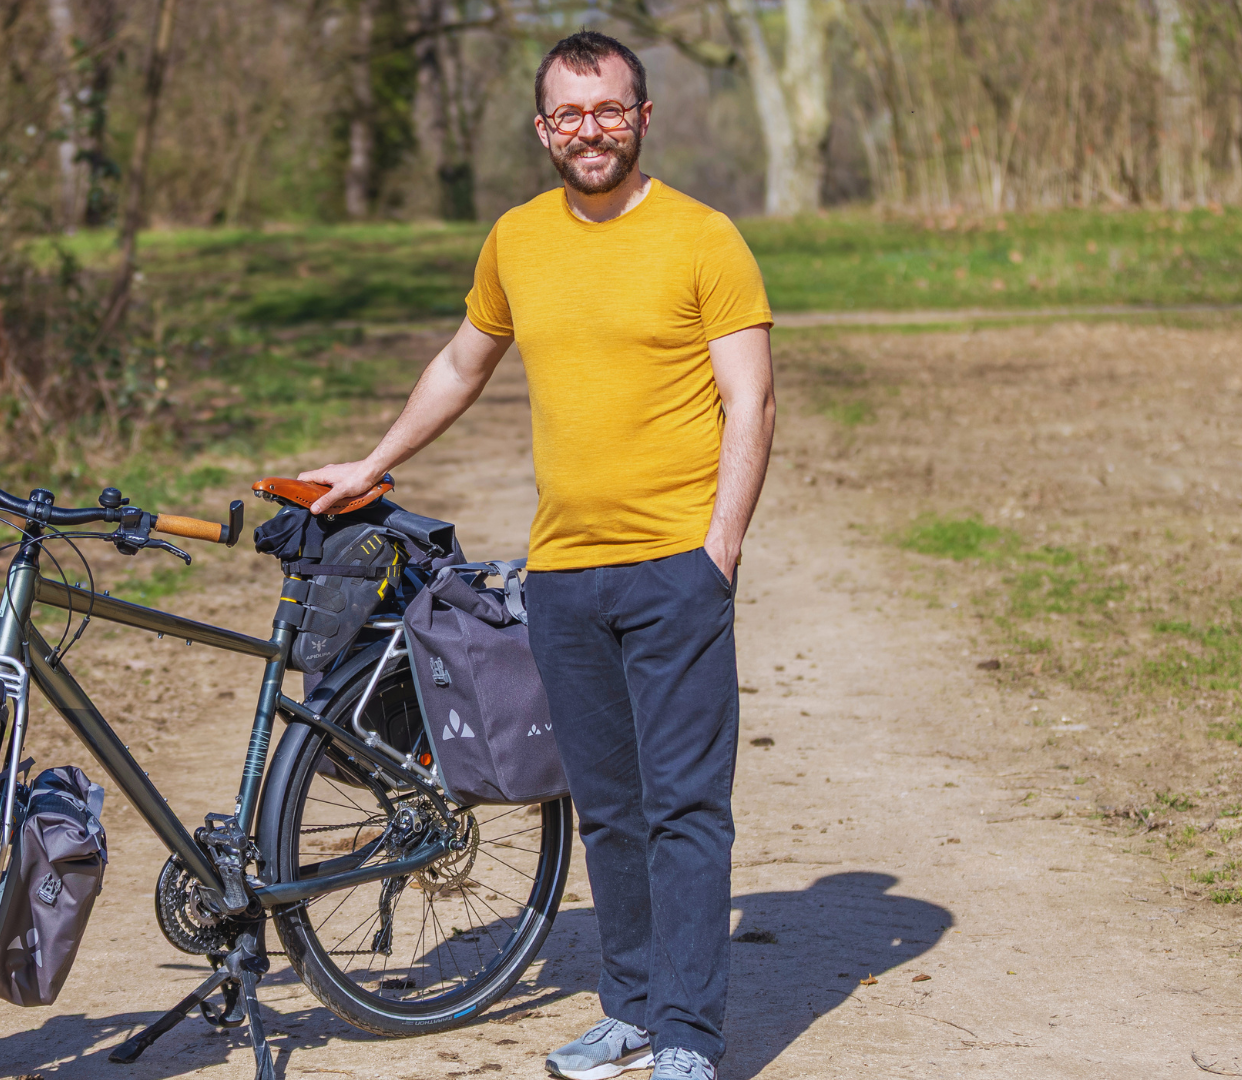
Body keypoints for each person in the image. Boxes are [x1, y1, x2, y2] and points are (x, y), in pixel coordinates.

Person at [299, 29, 775, 1080]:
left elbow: (752, 396)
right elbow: (462, 364)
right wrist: (371, 465)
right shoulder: (516, 238)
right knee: (606, 809)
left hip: (673, 572)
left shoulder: (705, 238)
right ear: (542, 128)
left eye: (609, 109)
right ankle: (633, 1011)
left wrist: (720, 550)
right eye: (570, 113)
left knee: (685, 809)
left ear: (643, 118)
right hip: (559, 577)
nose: (590, 129)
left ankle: (690, 1037)